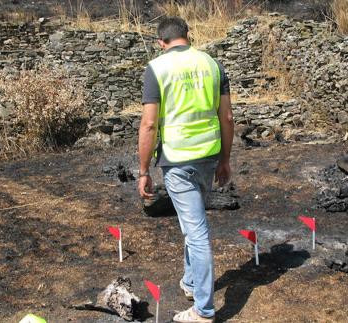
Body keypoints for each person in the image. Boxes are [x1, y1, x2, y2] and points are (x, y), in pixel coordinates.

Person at [137, 16, 234, 323]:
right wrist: (225, 160)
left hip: (178, 161)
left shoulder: (157, 68)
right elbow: (228, 118)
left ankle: (204, 311)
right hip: (208, 156)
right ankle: (191, 283)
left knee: (197, 231)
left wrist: (143, 171)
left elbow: (149, 123)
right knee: (193, 225)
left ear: (160, 42)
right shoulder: (212, 65)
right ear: (187, 36)